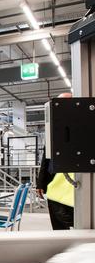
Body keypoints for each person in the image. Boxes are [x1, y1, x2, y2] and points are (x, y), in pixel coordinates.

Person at [36, 92, 75, 230]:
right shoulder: (53, 128)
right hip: (54, 188)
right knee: (59, 230)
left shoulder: (84, 125)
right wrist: (40, 182)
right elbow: (46, 158)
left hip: (77, 189)